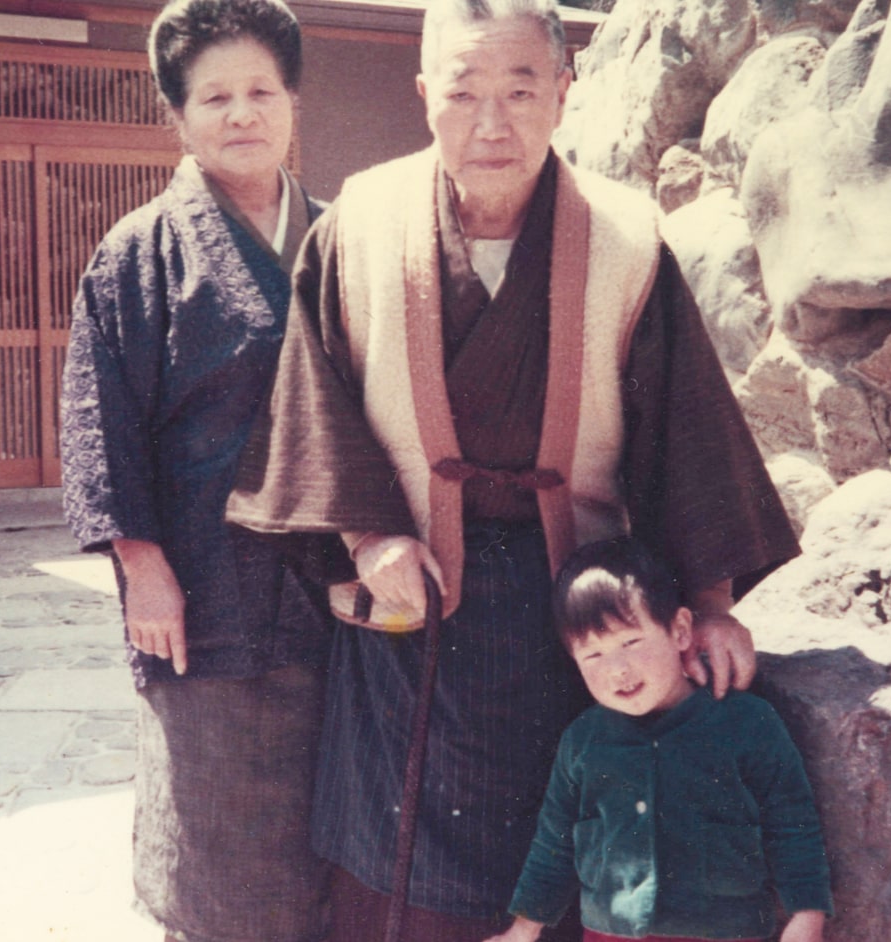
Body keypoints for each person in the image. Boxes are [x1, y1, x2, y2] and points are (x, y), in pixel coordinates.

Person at [226, 0, 801, 938]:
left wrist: (713, 601)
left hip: (570, 601)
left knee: (574, 844)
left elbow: (682, 429)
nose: (492, 123)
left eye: (521, 90)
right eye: (464, 93)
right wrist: (369, 538)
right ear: (423, 96)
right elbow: (314, 397)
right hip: (415, 592)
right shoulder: (359, 220)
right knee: (400, 867)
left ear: (564, 94)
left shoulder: (625, 235)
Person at [59, 1, 331, 940]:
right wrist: (142, 565)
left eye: (262, 90)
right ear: (177, 115)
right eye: (215, 96)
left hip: (334, 587)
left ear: (294, 102)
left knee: (331, 827)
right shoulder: (137, 251)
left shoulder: (342, 239)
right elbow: (102, 418)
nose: (242, 113)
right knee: (214, 829)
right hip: (205, 590)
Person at [485, 538, 833, 942]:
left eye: (630, 642)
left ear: (681, 630)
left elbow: (793, 826)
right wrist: (523, 930)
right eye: (593, 656)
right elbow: (554, 843)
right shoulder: (582, 741)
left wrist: (808, 915)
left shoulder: (746, 724)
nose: (617, 669)